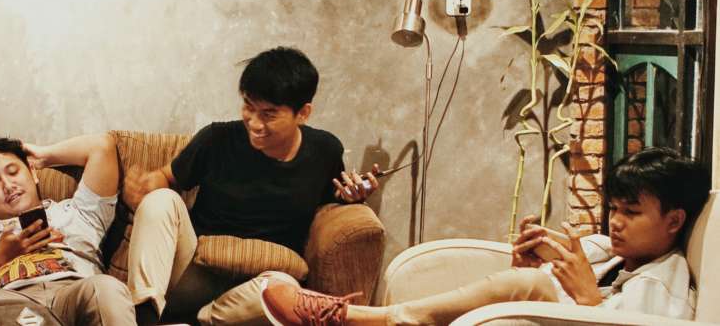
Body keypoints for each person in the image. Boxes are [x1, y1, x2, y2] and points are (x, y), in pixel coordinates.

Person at [260, 146, 712, 325]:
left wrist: (587, 299)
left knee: (530, 283)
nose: (616, 222)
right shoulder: (602, 250)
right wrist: (526, 262)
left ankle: (360, 319)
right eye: (613, 209)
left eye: (632, 213)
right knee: (529, 278)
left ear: (674, 221)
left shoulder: (663, 280)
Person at [124, 47, 381, 325]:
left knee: (282, 291)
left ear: (303, 113)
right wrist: (148, 186)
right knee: (161, 200)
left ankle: (197, 320)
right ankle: (145, 316)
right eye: (249, 106)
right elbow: (167, 177)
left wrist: (353, 196)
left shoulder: (324, 151)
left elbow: (332, 199)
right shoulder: (216, 139)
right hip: (195, 270)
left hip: (258, 286)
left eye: (269, 114)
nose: (255, 123)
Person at [0, 132, 133, 325]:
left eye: (13, 172)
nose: (8, 186)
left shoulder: (76, 211)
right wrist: (0, 256)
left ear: (32, 173)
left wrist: (43, 156)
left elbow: (102, 146)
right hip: (6, 304)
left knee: (106, 287)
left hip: (72, 295)